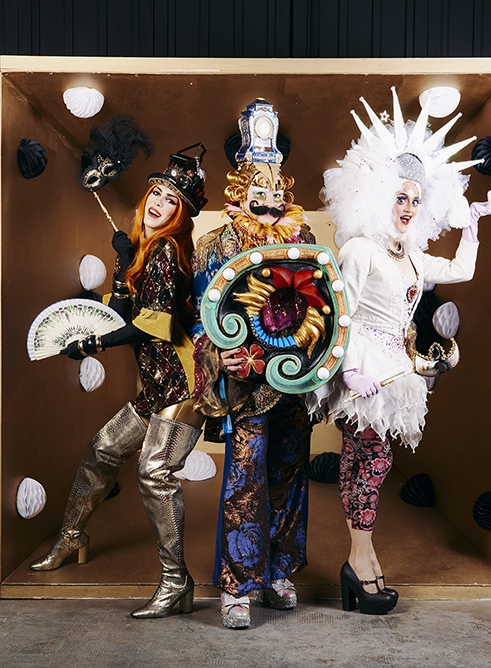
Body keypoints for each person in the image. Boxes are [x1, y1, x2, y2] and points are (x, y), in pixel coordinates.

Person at [309, 88, 491, 614]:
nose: (408, 208)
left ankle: (361, 561)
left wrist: (473, 225)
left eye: (417, 201)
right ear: (379, 197)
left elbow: (461, 269)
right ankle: (361, 560)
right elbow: (343, 312)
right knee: (372, 461)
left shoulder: (413, 257)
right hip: (362, 371)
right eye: (401, 197)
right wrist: (349, 371)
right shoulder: (359, 249)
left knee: (364, 461)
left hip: (395, 371)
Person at [30, 145, 209, 620]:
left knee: (154, 473)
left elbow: (153, 325)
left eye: (172, 200)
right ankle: (72, 538)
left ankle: (176, 582)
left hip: (183, 385)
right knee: (102, 450)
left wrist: (94, 342)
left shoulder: (168, 251)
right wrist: (125, 265)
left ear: (180, 214)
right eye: (157, 193)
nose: (160, 203)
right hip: (155, 386)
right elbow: (123, 315)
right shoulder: (143, 250)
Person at [191, 100, 313, 629]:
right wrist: (217, 352)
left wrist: (318, 364)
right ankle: (238, 585)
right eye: (258, 190)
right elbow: (198, 319)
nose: (269, 200)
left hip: (295, 378)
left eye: (276, 190)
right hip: (247, 382)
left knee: (289, 473)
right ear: (240, 191)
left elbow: (324, 306)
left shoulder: (303, 243)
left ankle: (280, 571)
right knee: (245, 479)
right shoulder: (213, 245)